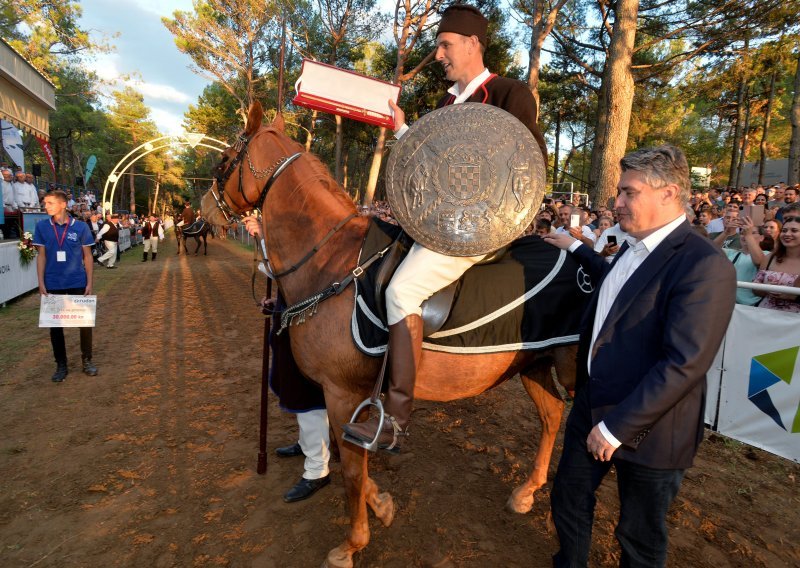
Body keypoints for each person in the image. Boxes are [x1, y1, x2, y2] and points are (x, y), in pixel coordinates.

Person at [343, 4, 547, 451]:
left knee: (401, 292)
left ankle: (395, 416)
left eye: (444, 45)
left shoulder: (512, 93)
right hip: (438, 224)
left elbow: (527, 167)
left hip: (479, 228)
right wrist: (402, 130)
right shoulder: (445, 105)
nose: (438, 55)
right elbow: (431, 166)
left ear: (473, 44)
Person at [542, 145, 736, 567]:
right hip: (591, 406)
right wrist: (574, 249)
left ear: (668, 194)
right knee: (568, 499)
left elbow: (685, 362)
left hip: (652, 428)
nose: (617, 203)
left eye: (629, 193)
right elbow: (621, 289)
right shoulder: (633, 246)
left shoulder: (704, 265)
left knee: (639, 536)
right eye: (619, 192)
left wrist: (615, 429)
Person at [242, 215, 331, 502]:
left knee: (307, 396)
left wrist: (264, 236)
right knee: (298, 393)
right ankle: (309, 445)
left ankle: (318, 469)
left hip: (308, 327)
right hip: (292, 315)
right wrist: (278, 301)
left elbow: (289, 268)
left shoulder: (315, 228)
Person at [32, 190, 98, 382]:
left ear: (63, 205)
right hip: (53, 282)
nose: (46, 206)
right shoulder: (42, 227)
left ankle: (87, 360)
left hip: (77, 281)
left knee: (84, 324)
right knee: (55, 327)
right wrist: (41, 282)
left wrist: (89, 282)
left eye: (50, 203)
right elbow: (41, 256)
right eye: (45, 203)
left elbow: (87, 256)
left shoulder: (81, 227)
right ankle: (61, 365)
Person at [753, 214, 800, 312]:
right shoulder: (770, 257)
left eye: (794, 230)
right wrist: (767, 289)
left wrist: (793, 296)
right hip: (765, 315)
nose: (787, 234)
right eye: (784, 230)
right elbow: (755, 289)